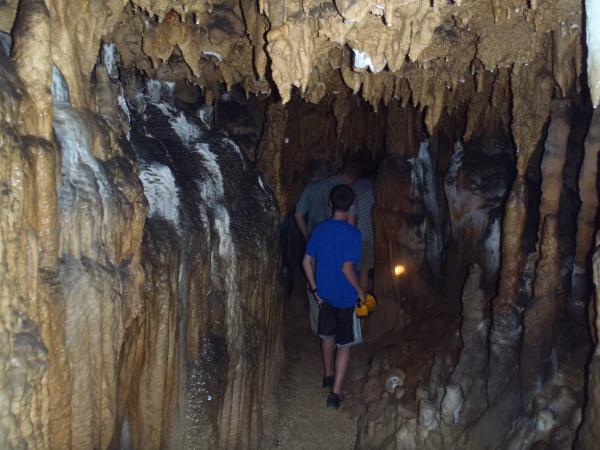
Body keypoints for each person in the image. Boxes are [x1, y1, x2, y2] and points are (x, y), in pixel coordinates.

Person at [302, 184, 366, 409]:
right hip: (346, 298)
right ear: (349, 207)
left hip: (325, 296)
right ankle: (335, 394)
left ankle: (327, 375)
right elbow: (347, 268)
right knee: (345, 344)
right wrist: (360, 291)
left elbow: (306, 262)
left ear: (331, 204)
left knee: (326, 337)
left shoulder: (319, 230)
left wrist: (315, 289)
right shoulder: (353, 234)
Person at [295, 161, 361, 335]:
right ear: (350, 178)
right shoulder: (347, 193)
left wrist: (306, 235)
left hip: (315, 244)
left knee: (316, 290)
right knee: (340, 285)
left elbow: (298, 214)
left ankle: (322, 331)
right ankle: (340, 332)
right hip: (340, 246)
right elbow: (352, 222)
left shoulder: (313, 187)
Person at [352, 176, 375, 293]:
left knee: (350, 269)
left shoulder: (353, 188)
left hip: (352, 235)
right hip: (366, 235)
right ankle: (361, 305)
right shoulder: (372, 190)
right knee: (364, 270)